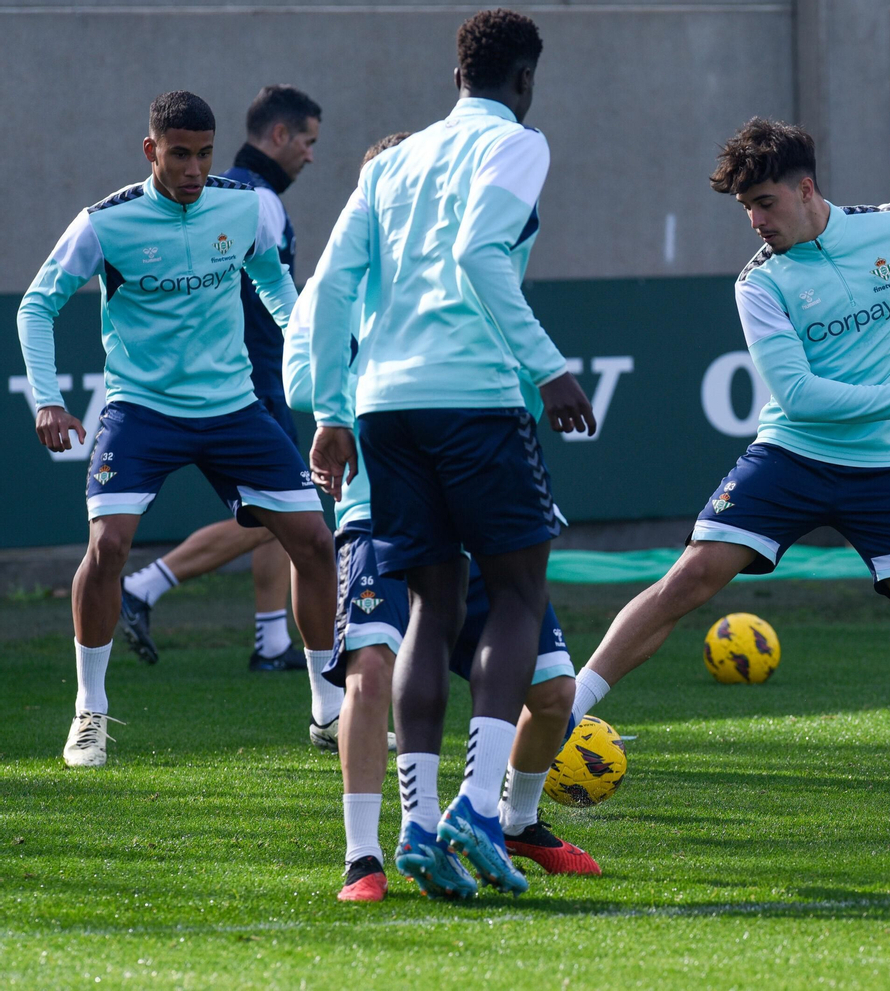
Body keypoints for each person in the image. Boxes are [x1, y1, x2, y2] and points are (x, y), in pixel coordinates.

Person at [566, 118, 890, 831]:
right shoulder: (760, 284)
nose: (757, 221)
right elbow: (800, 396)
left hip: (887, 466)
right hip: (794, 453)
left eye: (765, 203)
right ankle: (557, 712)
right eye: (747, 210)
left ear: (807, 189)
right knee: (688, 580)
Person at [305, 9, 596, 900]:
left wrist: (332, 409)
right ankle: (478, 802)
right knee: (515, 590)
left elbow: (328, 289)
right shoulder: (517, 143)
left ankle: (420, 824)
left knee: (432, 603)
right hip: (474, 394)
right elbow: (479, 253)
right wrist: (549, 368)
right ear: (525, 77)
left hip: (387, 406)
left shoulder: (393, 160)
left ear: (457, 73)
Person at [16, 91, 337, 768]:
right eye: (180, 153)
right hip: (141, 410)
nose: (193, 168)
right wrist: (48, 400)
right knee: (108, 548)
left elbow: (274, 287)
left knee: (312, 539)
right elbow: (36, 305)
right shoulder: (107, 223)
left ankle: (329, 713)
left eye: (204, 153)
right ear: (151, 151)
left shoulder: (244, 207)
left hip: (233, 408)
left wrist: (307, 343)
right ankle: (89, 714)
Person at [119, 86, 326, 679]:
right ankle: (145, 585)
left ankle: (268, 643)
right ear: (279, 136)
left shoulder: (229, 191)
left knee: (270, 517)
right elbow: (272, 298)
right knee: (287, 514)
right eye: (307, 141)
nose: (310, 156)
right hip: (248, 378)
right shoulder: (254, 200)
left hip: (247, 373)